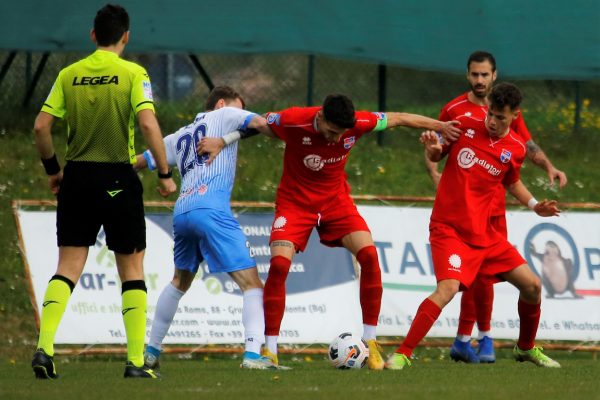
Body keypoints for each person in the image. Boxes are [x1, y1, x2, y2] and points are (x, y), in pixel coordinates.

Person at [199, 94, 462, 369]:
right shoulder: (293, 120)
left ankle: (371, 342)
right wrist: (222, 140)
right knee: (278, 265)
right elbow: (257, 124)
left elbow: (398, 118)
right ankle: (271, 350)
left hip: (336, 202)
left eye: (342, 134)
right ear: (321, 117)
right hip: (295, 204)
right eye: (332, 132)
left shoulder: (359, 122)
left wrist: (440, 126)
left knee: (370, 256)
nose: (337, 139)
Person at [31, 4, 176, 379]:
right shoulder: (133, 72)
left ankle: (44, 349)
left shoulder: (68, 74)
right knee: (131, 269)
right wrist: (163, 172)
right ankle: (134, 362)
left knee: (67, 267)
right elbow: (147, 123)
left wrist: (54, 170)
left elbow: (41, 128)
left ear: (93, 35)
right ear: (126, 36)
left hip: (76, 178)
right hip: (117, 178)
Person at [385, 83, 562, 370]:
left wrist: (533, 206)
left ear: (514, 116)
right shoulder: (464, 125)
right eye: (490, 113)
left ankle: (525, 348)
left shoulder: (515, 148)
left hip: (484, 234)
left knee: (532, 286)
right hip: (449, 229)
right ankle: (403, 354)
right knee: (447, 289)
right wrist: (432, 150)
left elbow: (511, 180)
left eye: (500, 117)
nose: (492, 121)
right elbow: (436, 154)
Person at [423, 51, 568, 363]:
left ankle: (484, 336)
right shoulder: (456, 110)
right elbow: (436, 143)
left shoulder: (506, 109)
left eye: (484, 75)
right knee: (465, 278)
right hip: (462, 209)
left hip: (492, 209)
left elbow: (524, 146)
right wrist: (434, 170)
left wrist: (549, 168)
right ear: (468, 76)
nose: (479, 80)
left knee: (487, 278)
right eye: (474, 74)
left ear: (493, 76)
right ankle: (465, 338)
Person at [136, 86, 280, 370]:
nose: (241, 115)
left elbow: (141, 161)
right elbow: (264, 125)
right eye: (239, 108)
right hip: (211, 208)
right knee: (251, 284)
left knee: (179, 281)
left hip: (183, 211)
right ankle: (252, 355)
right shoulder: (226, 114)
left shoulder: (180, 137)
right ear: (223, 104)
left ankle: (150, 351)